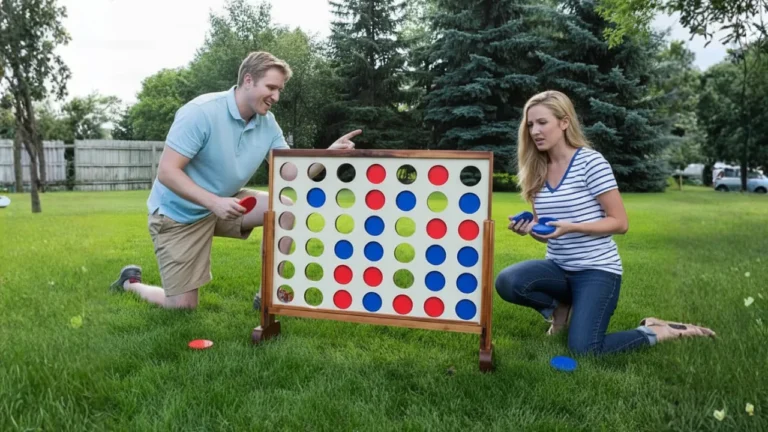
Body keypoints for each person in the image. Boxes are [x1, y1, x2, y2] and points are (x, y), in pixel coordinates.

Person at [110, 51, 360, 309]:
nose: (276, 96)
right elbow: (167, 172)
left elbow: (290, 172)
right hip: (179, 216)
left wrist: (328, 154)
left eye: (279, 90)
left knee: (284, 208)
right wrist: (214, 203)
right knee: (182, 307)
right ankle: (130, 283)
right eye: (271, 87)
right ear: (248, 80)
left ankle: (268, 296)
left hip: (225, 204)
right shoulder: (200, 112)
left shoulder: (267, 123)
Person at [494, 90, 714, 355]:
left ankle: (657, 330)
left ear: (564, 122)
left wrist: (573, 227)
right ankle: (560, 309)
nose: (535, 131)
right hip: (559, 268)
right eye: (530, 125)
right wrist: (530, 230)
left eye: (542, 122)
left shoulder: (591, 162)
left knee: (585, 349)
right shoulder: (536, 169)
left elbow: (620, 223)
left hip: (597, 271)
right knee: (508, 281)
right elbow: (546, 232)